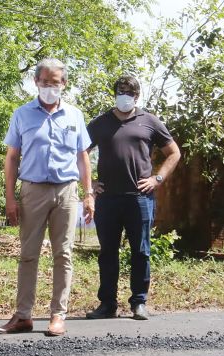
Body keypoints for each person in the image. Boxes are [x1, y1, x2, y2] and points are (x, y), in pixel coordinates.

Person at [1, 58, 93, 336]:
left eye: (55, 83)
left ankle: (58, 315)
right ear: (36, 82)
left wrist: (89, 194)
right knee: (28, 255)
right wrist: (10, 198)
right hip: (33, 190)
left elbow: (83, 157)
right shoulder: (22, 114)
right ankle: (23, 315)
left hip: (66, 191)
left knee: (63, 254)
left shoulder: (75, 115)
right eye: (45, 82)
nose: (50, 87)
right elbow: (12, 158)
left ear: (64, 84)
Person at [85, 75, 181, 320]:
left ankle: (139, 302)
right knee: (108, 252)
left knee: (141, 251)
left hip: (140, 198)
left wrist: (157, 179)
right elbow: (79, 152)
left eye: (130, 92)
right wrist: (90, 183)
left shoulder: (149, 121)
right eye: (120, 91)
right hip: (108, 198)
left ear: (137, 96)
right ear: (114, 93)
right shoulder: (100, 123)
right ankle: (107, 304)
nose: (124, 95)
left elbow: (173, 153)